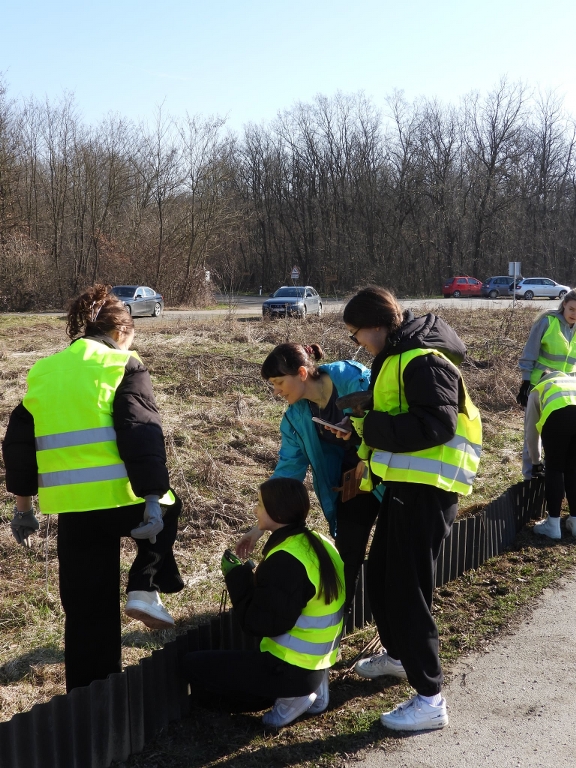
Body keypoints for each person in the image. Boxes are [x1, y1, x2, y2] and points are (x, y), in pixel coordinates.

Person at [2, 284, 183, 692]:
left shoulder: (43, 371)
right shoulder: (124, 365)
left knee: (86, 610)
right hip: (125, 499)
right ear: (121, 332)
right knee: (172, 505)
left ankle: (89, 698)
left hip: (73, 509)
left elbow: (17, 446)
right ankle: (144, 587)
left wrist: (23, 507)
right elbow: (141, 433)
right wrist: (152, 499)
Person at [339, 285, 482, 732]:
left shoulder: (422, 358)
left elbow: (436, 425)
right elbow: (410, 419)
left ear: (377, 325)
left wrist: (374, 423)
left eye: (357, 333)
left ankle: (430, 698)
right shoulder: (401, 355)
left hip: (427, 489)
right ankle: (400, 657)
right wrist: (366, 421)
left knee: (407, 589)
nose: (357, 342)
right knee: (382, 573)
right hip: (408, 486)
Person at [183, 477, 345, 728]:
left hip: (289, 669)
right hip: (318, 661)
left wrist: (237, 577)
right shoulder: (318, 542)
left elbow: (259, 623)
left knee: (192, 666)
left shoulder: (286, 561)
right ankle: (312, 688)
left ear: (277, 511)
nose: (255, 510)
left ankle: (294, 697)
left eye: (259, 504)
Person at [236, 343, 382, 608]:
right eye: (272, 384)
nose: (276, 391)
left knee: (392, 551)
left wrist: (358, 430)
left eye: (279, 382)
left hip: (389, 475)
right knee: (348, 551)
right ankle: (341, 617)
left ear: (302, 373)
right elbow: (287, 474)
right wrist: (258, 528)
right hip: (352, 485)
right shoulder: (295, 418)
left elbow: (387, 413)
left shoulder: (353, 378)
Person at [517, 290, 576, 479]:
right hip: (540, 387)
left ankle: (556, 477)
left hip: (566, 393)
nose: (574, 314)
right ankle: (531, 476)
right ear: (564, 304)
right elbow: (530, 352)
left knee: (560, 436)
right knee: (533, 433)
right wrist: (525, 382)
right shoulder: (547, 322)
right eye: (571, 309)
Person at [525, 370, 576, 540]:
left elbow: (532, 434)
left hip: (558, 419)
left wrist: (536, 461)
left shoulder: (539, 389)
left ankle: (553, 525)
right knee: (573, 468)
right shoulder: (572, 382)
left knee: (554, 468)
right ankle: (575, 522)